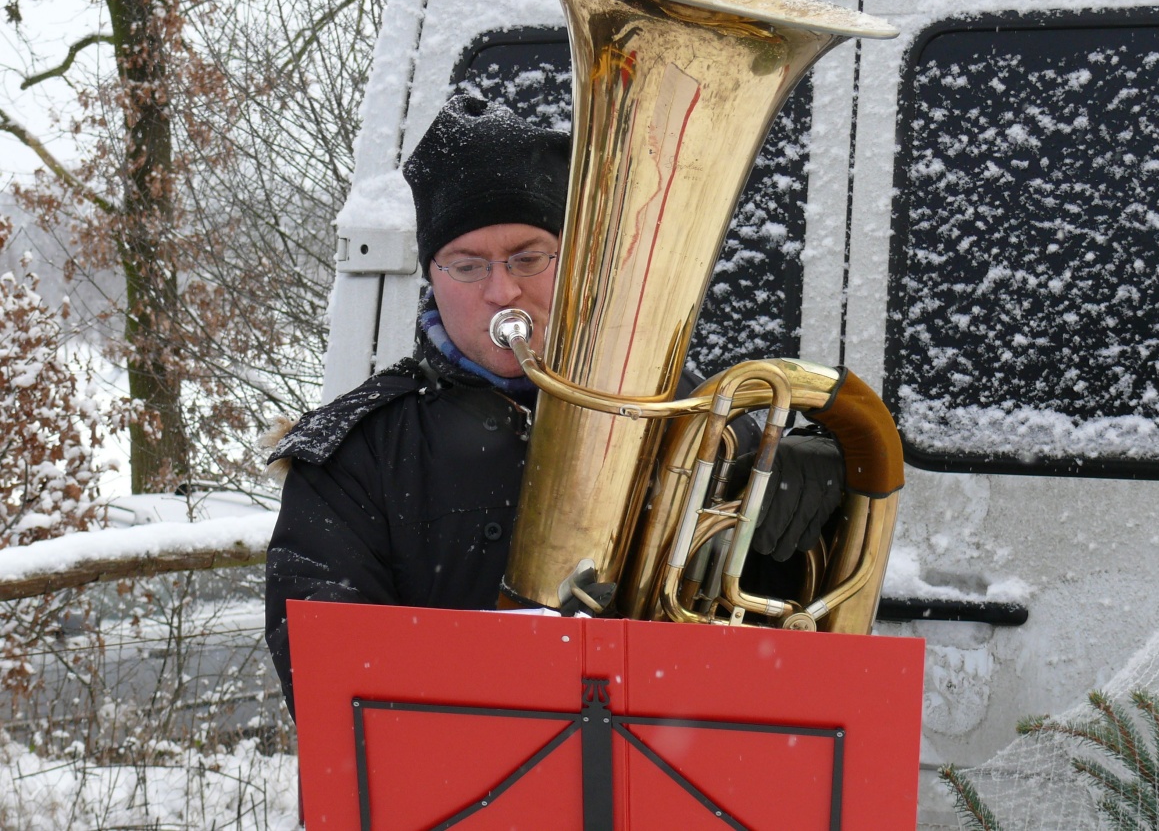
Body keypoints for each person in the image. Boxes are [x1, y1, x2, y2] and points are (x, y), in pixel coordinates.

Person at [264, 94, 842, 718]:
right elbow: (330, 679)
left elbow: (784, 641)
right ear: (431, 274)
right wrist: (526, 653)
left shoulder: (682, 412)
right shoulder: (355, 452)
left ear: (572, 262)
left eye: (529, 257)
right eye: (467, 266)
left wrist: (814, 473)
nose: (502, 289)